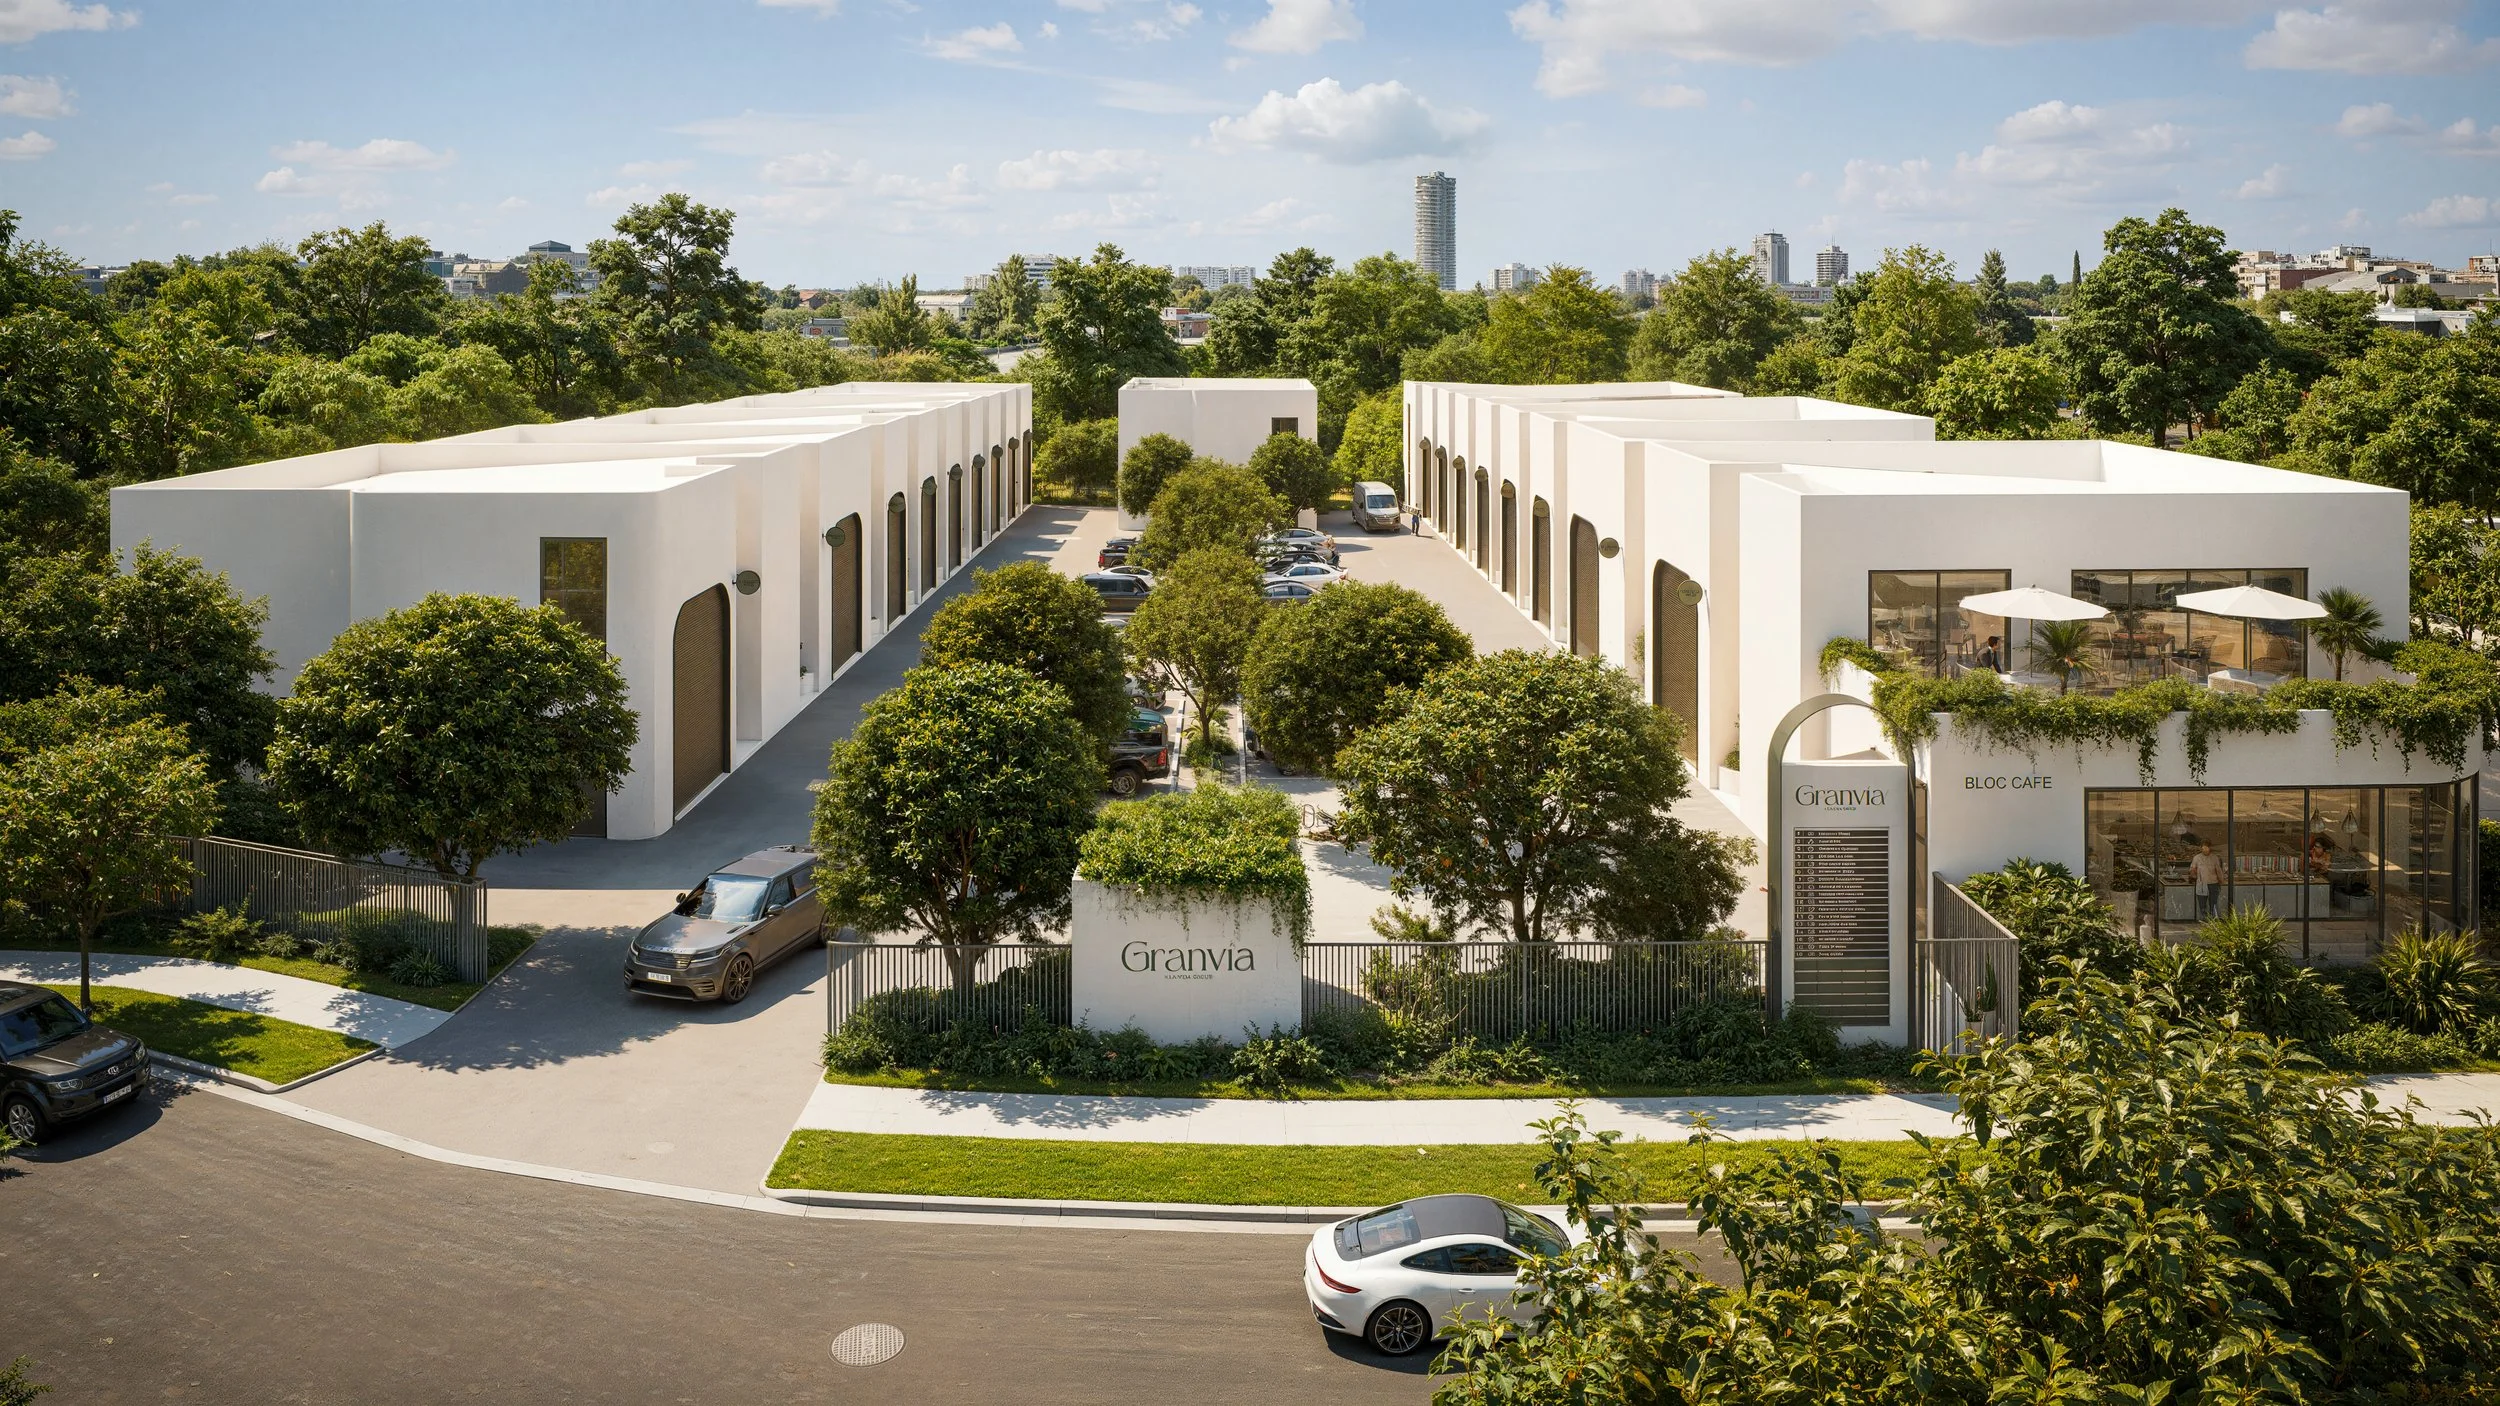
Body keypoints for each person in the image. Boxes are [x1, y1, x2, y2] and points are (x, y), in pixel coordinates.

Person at [2189, 840, 2223, 921]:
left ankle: (2213, 918)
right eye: (2203, 848)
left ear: (2210, 848)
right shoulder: (2196, 858)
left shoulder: (2214, 858)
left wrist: (2221, 881)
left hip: (2213, 883)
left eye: (2206, 848)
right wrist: (2192, 874)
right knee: (2202, 903)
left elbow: (2218, 870)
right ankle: (2203, 919)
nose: (2205, 850)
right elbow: (2192, 869)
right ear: (2201, 848)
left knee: (2213, 903)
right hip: (2201, 884)